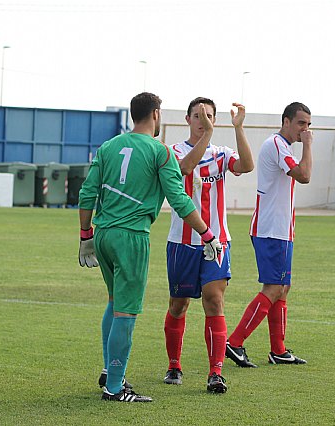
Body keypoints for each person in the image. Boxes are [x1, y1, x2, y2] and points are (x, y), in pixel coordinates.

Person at [78, 92, 222, 403]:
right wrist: (207, 234)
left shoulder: (108, 146)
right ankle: (115, 388)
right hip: (131, 237)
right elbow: (180, 200)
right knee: (126, 312)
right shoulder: (160, 152)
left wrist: (85, 235)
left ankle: (108, 370)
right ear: (156, 114)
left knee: (114, 300)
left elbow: (87, 193)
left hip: (102, 235)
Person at [162, 97, 254, 394]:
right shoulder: (174, 151)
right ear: (188, 119)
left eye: (209, 115)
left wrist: (238, 128)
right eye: (199, 115)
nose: (204, 120)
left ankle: (216, 372)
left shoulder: (221, 154)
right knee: (179, 305)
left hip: (217, 242)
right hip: (182, 242)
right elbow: (185, 169)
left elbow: (247, 165)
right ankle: (174, 364)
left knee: (214, 300)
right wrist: (208, 136)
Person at [225, 102, 313, 368]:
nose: (305, 129)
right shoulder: (276, 144)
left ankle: (278, 350)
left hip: (281, 230)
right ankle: (235, 342)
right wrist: (308, 145)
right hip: (270, 230)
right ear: (286, 121)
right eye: (301, 123)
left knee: (283, 288)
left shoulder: (283, 146)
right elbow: (304, 175)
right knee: (274, 288)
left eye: (308, 125)